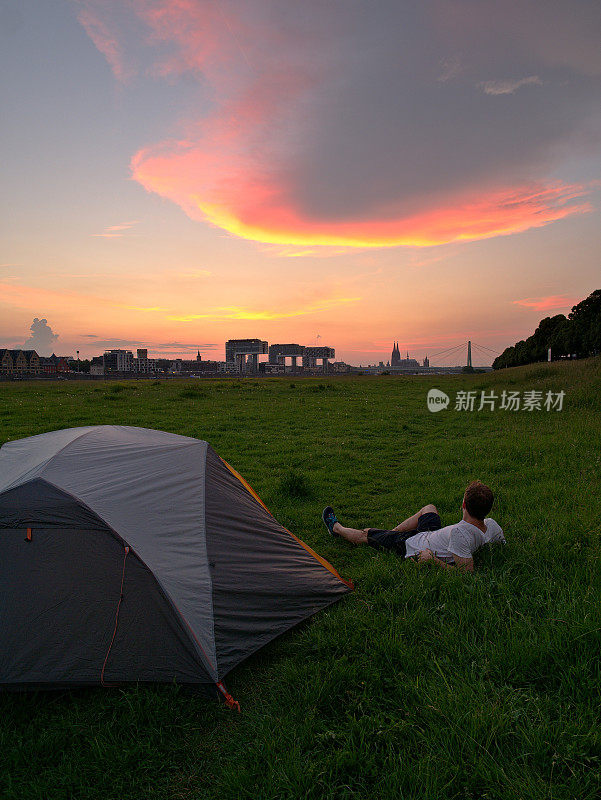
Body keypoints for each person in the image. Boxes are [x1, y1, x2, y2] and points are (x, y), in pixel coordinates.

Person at [322, 480, 505, 573]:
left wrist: (433, 561)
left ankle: (335, 528)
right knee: (429, 508)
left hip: (412, 544)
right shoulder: (492, 526)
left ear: (463, 505)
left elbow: (467, 574)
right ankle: (391, 534)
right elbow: (501, 545)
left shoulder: (460, 534)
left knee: (365, 534)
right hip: (433, 534)